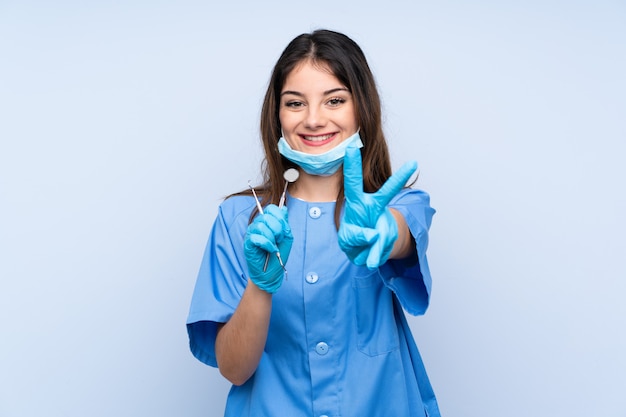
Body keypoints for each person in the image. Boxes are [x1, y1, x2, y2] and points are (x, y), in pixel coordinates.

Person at [187, 29, 441, 417]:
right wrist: (260, 285)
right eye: (295, 103)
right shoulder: (240, 219)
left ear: (362, 108)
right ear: (277, 114)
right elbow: (235, 370)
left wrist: (387, 234)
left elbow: (401, 234)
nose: (314, 119)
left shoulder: (401, 204)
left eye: (334, 100)